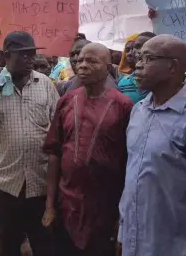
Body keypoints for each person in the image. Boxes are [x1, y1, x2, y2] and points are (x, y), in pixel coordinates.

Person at [118, 34, 186, 256]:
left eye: (148, 58)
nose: (138, 65)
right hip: (135, 242)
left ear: (173, 67)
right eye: (138, 58)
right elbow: (132, 179)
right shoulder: (139, 111)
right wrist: (123, 232)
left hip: (176, 247)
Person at [0, 31, 59, 256]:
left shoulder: (45, 83)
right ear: (5, 56)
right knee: (8, 247)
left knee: (44, 245)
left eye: (32, 54)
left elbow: (58, 129)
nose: (30, 60)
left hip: (40, 184)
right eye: (23, 55)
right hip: (6, 186)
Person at [42, 43, 133, 256]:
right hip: (67, 204)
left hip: (105, 208)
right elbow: (54, 154)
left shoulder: (123, 105)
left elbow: (130, 162)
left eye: (91, 61)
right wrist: (49, 207)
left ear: (108, 65)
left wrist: (123, 217)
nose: (82, 65)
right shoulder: (66, 101)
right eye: (80, 60)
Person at [117, 32, 156, 104]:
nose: (140, 51)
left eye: (145, 45)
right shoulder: (122, 83)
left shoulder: (164, 82)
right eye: (137, 46)